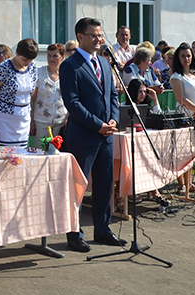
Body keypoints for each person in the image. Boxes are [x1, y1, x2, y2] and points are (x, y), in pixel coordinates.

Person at [60, 17, 125, 252]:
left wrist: (114, 119)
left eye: (100, 35)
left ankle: (103, 229)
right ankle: (74, 233)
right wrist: (98, 125)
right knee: (78, 187)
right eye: (93, 35)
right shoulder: (70, 65)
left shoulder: (106, 64)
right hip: (84, 137)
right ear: (80, 37)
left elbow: (114, 96)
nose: (98, 40)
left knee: (105, 184)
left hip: (106, 136)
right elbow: (73, 103)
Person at [0, 38, 38, 147]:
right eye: (24, 59)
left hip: (23, 119)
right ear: (17, 53)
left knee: (21, 153)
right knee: (3, 152)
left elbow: (32, 92)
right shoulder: (4, 67)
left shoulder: (32, 67)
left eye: (31, 60)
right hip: (3, 119)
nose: (27, 62)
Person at [170, 42, 195, 194]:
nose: (186, 59)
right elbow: (181, 98)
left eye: (188, 56)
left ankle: (190, 182)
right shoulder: (176, 76)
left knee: (194, 152)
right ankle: (181, 184)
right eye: (183, 56)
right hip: (184, 116)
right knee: (183, 152)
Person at [29, 43, 67, 149]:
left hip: (61, 122)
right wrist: (31, 121)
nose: (51, 59)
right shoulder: (39, 73)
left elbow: (71, 98)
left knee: (57, 155)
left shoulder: (67, 74)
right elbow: (32, 99)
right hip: (41, 121)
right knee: (40, 152)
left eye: (55, 56)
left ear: (62, 57)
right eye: (49, 55)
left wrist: (68, 118)